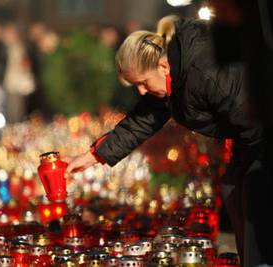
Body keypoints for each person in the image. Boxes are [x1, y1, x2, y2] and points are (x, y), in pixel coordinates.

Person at [65, 15, 271, 267]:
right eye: (135, 85)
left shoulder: (202, 72)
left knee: (253, 194)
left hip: (262, 133)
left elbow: (250, 118)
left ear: (163, 66)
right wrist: (94, 156)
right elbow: (141, 120)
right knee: (234, 188)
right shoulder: (174, 74)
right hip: (249, 135)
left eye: (142, 83)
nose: (141, 91)